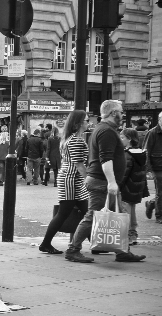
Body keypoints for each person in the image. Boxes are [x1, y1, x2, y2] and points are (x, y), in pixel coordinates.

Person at [65, 100, 146, 263]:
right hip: (101, 181)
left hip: (102, 181)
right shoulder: (106, 131)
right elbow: (105, 158)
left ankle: (122, 252)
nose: (122, 115)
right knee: (92, 216)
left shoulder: (105, 129)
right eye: (121, 112)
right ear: (113, 113)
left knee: (121, 214)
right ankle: (72, 250)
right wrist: (111, 182)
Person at [39, 111, 90, 254]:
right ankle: (45, 244)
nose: (88, 123)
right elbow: (79, 164)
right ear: (78, 123)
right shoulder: (76, 140)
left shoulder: (69, 138)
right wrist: (88, 180)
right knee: (63, 213)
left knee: (87, 212)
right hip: (72, 179)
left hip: (70, 178)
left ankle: (96, 244)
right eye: (86, 120)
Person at [119, 128, 149, 246]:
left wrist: (118, 185)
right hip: (135, 187)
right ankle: (133, 234)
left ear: (129, 139)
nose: (120, 140)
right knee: (131, 212)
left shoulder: (127, 154)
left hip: (126, 187)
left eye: (122, 138)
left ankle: (127, 236)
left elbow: (124, 173)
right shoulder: (139, 153)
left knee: (125, 212)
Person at [143, 110, 162, 224]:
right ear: (159, 119)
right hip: (158, 166)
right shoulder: (153, 133)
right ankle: (160, 216)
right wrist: (149, 169)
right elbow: (146, 151)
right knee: (160, 192)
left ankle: (151, 203)